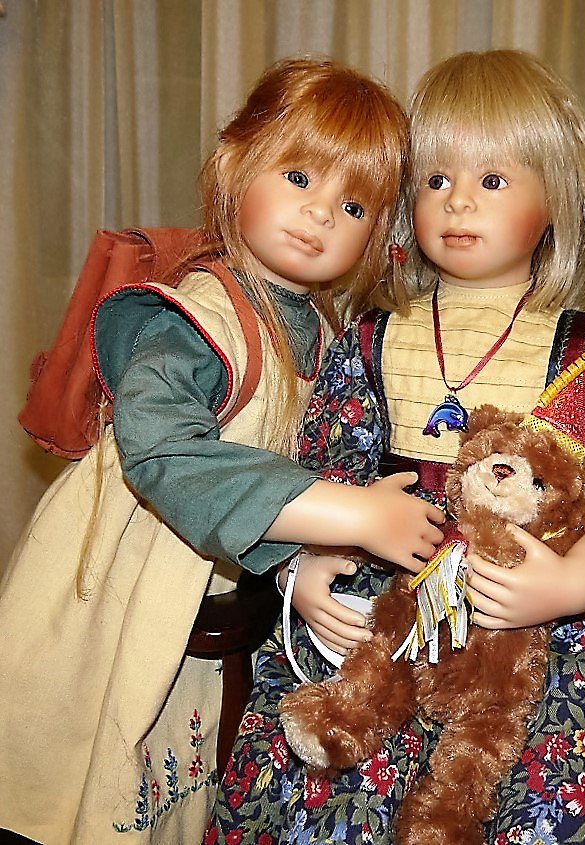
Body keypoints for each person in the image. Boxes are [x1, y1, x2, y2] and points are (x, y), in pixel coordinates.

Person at [205, 50, 585, 844]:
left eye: (493, 179)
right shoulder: (372, 340)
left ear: (555, 200)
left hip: (545, 627)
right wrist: (301, 568)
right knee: (326, 763)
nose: (458, 200)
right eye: (434, 179)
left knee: (560, 778)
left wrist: (571, 584)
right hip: (388, 610)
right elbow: (321, 475)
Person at [0, 57, 445, 845]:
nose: (318, 214)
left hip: (207, 592)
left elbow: (280, 474)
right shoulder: (197, 314)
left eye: (351, 205)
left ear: (377, 236)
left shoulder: (325, 333)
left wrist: (299, 559)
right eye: (298, 176)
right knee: (81, 776)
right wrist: (351, 513)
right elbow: (166, 454)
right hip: (121, 589)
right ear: (236, 164)